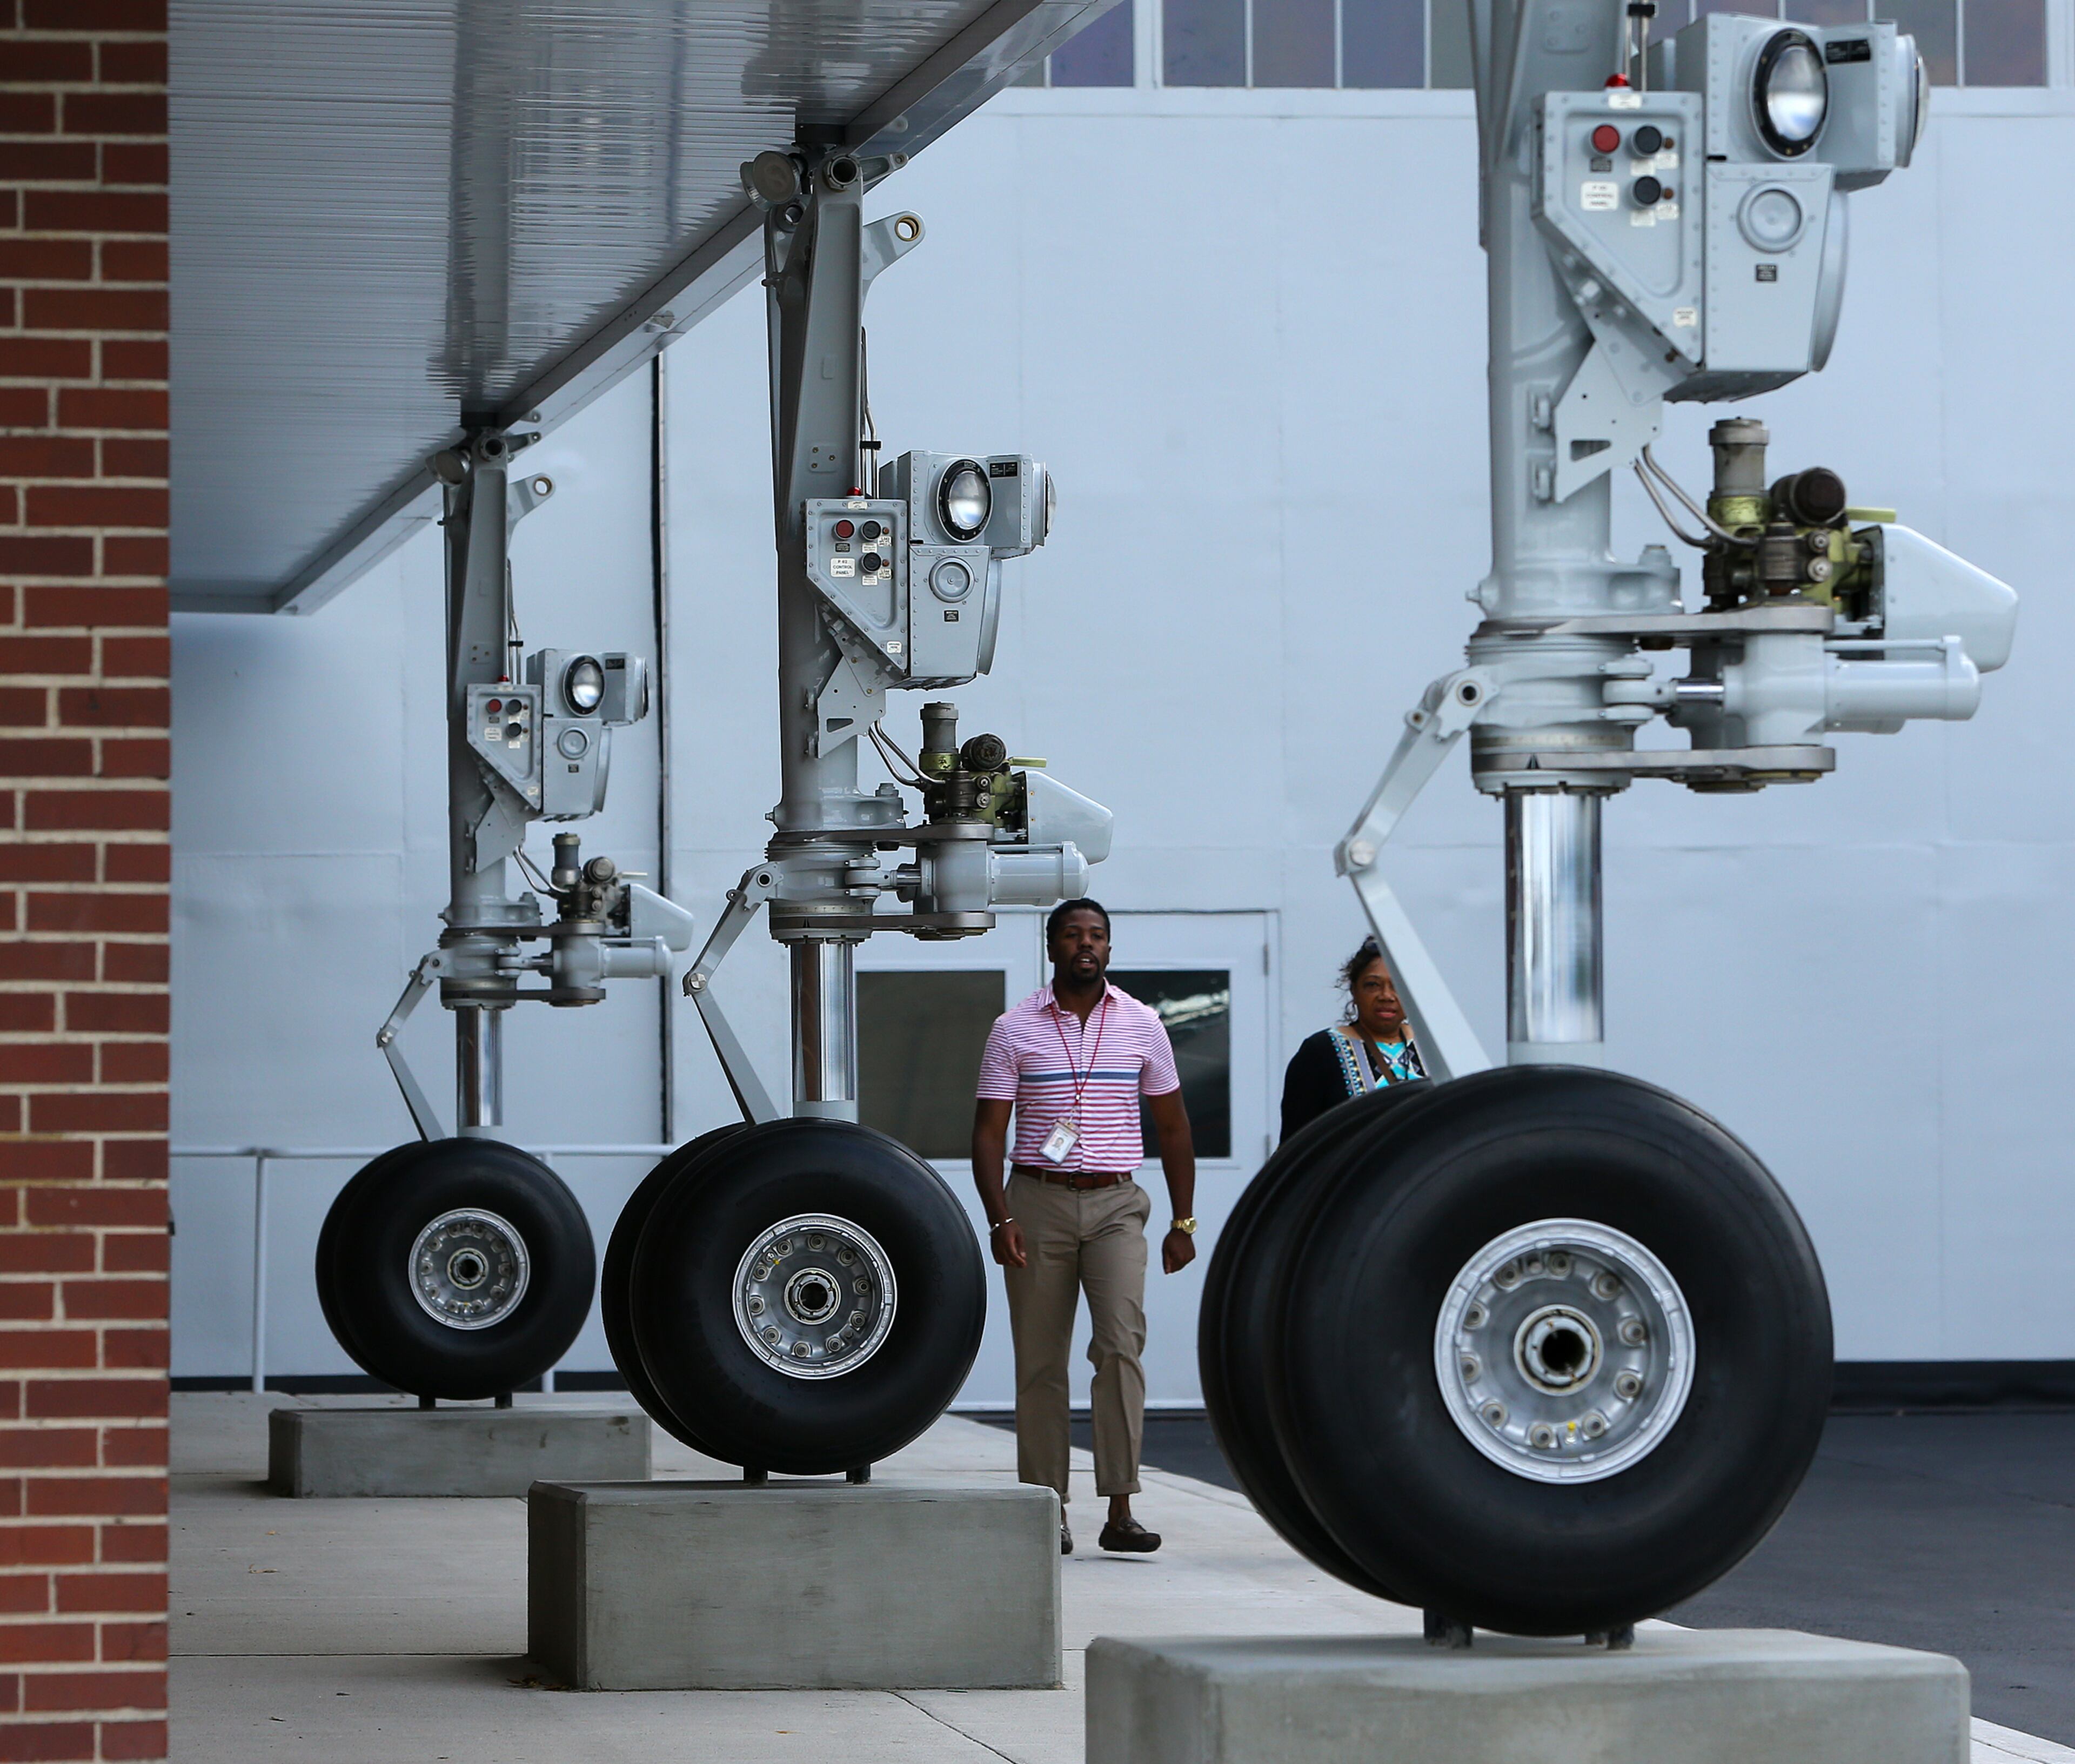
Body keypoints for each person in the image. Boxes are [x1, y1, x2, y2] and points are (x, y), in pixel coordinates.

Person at [972, 898, 1197, 1558]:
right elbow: (988, 1133)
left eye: (1096, 935)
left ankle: (1121, 1507)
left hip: (1117, 1204)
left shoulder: (1143, 1025)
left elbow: (1175, 1125)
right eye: (1073, 934)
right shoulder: (1014, 1029)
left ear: (1109, 947)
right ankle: (1048, 1507)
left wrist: (1184, 1220)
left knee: (1120, 1345)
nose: (1086, 945)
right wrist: (1000, 1216)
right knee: (1041, 1361)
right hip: (1037, 1201)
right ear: (1053, 946)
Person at [1279, 936, 1428, 1142]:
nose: (1386, 996)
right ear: (1354, 990)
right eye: (1373, 985)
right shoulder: (1320, 1053)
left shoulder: (1433, 1047)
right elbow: (1295, 1148)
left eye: (1397, 985)